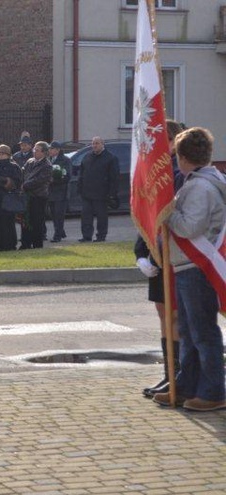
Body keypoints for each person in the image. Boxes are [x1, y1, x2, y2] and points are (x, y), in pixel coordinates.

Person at [153, 127, 226, 411]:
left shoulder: (199, 186)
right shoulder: (201, 181)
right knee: (189, 329)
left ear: (183, 158)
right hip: (189, 266)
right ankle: (188, 385)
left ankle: (212, 391)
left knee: (202, 332)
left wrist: (167, 212)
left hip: (197, 266)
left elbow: (190, 227)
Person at [138, 119, 183, 399]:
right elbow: (146, 216)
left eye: (157, 139)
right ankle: (169, 374)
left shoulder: (177, 173)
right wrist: (141, 254)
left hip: (174, 257)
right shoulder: (154, 172)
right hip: (155, 254)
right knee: (162, 314)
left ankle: (179, 377)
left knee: (174, 317)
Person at [77, 136, 119, 242]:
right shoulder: (87, 157)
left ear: (102, 144)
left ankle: (101, 236)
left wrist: (111, 193)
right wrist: (80, 188)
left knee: (101, 217)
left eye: (97, 143)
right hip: (87, 193)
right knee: (86, 217)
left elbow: (114, 178)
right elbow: (81, 174)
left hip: (102, 194)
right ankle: (86, 236)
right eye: (93, 143)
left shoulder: (110, 158)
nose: (94, 145)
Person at [19, 141, 52, 249]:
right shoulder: (30, 162)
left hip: (38, 197)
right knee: (25, 221)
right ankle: (25, 244)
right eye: (34, 149)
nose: (34, 152)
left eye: (37, 150)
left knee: (37, 222)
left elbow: (39, 180)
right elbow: (22, 174)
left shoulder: (47, 165)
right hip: (27, 196)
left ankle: (37, 245)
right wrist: (22, 184)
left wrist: (25, 185)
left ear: (44, 152)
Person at [47, 141, 72, 242]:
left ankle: (57, 236)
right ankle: (61, 232)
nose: (49, 151)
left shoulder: (65, 160)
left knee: (59, 214)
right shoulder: (49, 160)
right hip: (51, 191)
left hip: (61, 191)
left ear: (58, 150)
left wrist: (54, 180)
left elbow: (67, 176)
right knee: (53, 214)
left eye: (51, 149)